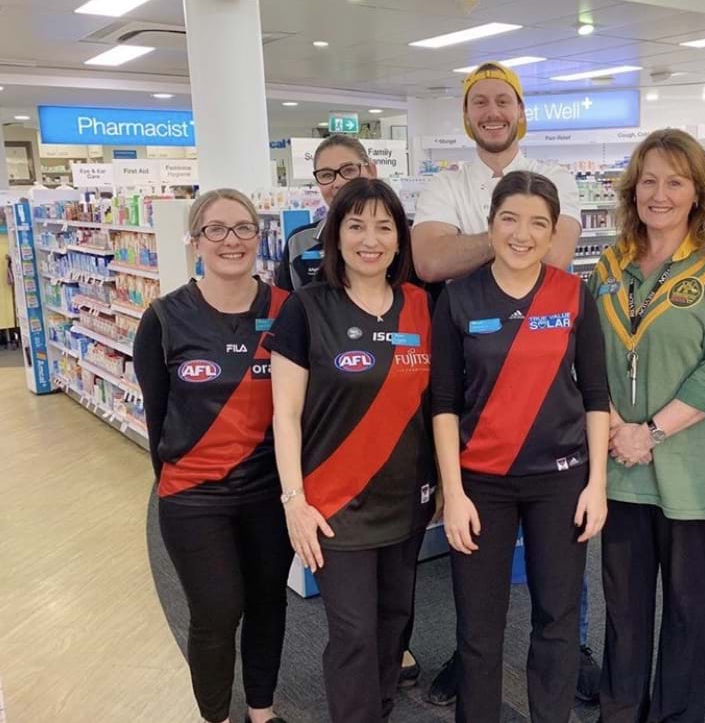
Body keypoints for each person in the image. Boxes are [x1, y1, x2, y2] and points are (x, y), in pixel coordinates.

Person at [412, 61, 602, 705]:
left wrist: (486, 240)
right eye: (480, 102)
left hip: (559, 466)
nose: (492, 112)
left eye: (504, 101)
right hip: (482, 461)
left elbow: (553, 263)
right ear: (467, 115)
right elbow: (428, 260)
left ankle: (567, 672)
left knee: (558, 611)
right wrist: (505, 242)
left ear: (522, 112)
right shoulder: (445, 191)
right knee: (478, 621)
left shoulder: (570, 279)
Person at [589, 128, 705, 722]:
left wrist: (650, 432)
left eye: (675, 182)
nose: (659, 194)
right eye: (649, 181)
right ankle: (620, 711)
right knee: (623, 608)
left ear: (698, 193)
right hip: (619, 466)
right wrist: (617, 427)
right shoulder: (609, 264)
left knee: (688, 610)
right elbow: (588, 356)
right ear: (632, 189)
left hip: (690, 472)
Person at [267, 178, 436, 723]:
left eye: (384, 227)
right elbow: (285, 415)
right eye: (356, 225)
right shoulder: (306, 309)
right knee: (355, 634)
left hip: (406, 502)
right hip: (334, 506)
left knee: (393, 623)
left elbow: (435, 405)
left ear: (400, 239)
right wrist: (294, 500)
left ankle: (378, 710)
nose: (370, 239)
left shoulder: (421, 305)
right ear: (335, 236)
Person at [133, 189, 291, 723]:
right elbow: (158, 419)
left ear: (259, 236)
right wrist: (177, 482)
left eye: (244, 228)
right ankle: (216, 717)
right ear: (195, 240)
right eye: (216, 229)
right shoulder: (163, 319)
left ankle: (261, 712)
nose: (231, 241)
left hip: (269, 493)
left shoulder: (287, 311)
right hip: (194, 496)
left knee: (269, 602)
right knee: (217, 612)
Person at [274, 133, 378, 292]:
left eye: (349, 170)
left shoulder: (405, 235)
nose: (339, 183)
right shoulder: (300, 243)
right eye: (326, 175)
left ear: (371, 170)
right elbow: (285, 302)